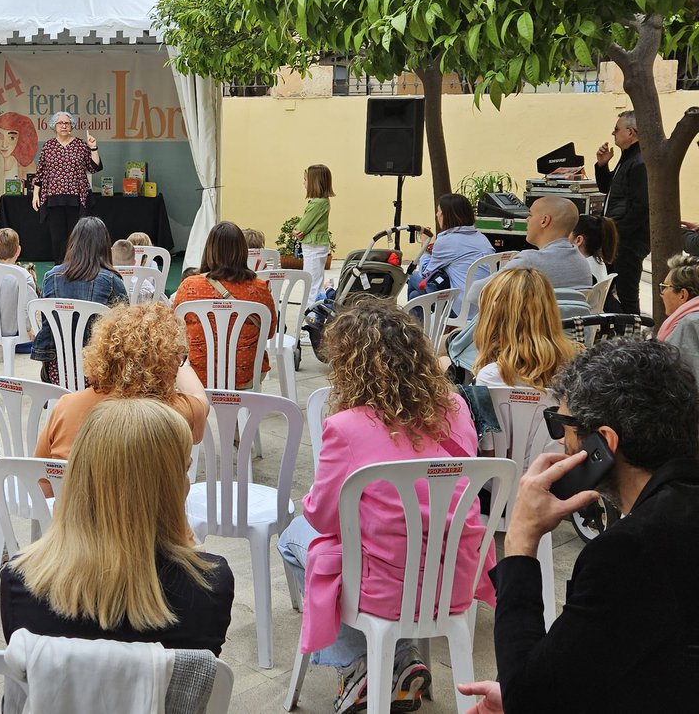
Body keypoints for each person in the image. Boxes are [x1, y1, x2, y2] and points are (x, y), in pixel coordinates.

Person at [457, 340, 699, 714]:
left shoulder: (631, 550)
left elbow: (531, 702)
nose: (559, 439)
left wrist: (520, 541)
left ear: (605, 443)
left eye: (562, 424)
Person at [277, 296, 493, 713]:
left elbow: (323, 517)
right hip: (455, 576)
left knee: (293, 539)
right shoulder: (456, 408)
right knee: (389, 544)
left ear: (349, 364)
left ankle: (358, 667)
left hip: (384, 589)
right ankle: (402, 659)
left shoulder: (346, 426)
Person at [2, 397, 234, 655]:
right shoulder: (209, 587)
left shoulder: (20, 584)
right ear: (168, 487)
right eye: (184, 470)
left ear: (79, 476)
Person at [35, 302, 208, 461]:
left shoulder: (67, 407)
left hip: (75, 487)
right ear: (169, 361)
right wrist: (180, 363)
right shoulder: (175, 411)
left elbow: (41, 478)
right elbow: (199, 398)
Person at [472, 268, 580, 457]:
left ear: (494, 312)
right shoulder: (577, 365)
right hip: (561, 467)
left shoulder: (491, 376)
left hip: (504, 474)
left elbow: (489, 452)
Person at [173, 221, 277, 389]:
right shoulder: (259, 287)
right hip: (247, 373)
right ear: (243, 251)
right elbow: (270, 332)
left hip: (198, 374)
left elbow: (174, 330)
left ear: (209, 250)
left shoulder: (189, 285)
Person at [31, 217, 129, 385]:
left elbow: (47, 324)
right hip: (99, 374)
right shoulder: (112, 280)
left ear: (73, 243)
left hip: (57, 371)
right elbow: (126, 329)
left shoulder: (50, 277)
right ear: (105, 246)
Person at [465, 196, 593, 313]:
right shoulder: (582, 261)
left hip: (534, 330)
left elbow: (476, 293)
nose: (526, 220)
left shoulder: (529, 261)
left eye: (530, 215)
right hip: (573, 329)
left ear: (544, 221)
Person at [30, 111, 101, 264]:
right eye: (60, 123)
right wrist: (36, 194)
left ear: (71, 126)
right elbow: (40, 172)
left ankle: (76, 266)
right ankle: (59, 266)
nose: (63, 126)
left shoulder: (80, 145)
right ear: (54, 126)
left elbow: (94, 167)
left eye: (67, 123)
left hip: (77, 198)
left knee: (76, 235)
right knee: (57, 237)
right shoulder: (48, 146)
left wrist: (93, 148)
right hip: (53, 198)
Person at [595, 111, 649, 313]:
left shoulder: (639, 162)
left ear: (630, 132)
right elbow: (608, 188)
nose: (613, 133)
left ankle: (631, 331)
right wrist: (602, 165)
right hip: (619, 237)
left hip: (628, 240)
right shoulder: (628, 158)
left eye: (616, 129)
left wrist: (615, 233)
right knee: (605, 289)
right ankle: (619, 328)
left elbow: (641, 208)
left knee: (627, 295)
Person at [408, 193, 494, 315]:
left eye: (439, 211)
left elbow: (425, 273)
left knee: (413, 277)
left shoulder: (446, 240)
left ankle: (409, 326)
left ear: (446, 215)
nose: (437, 215)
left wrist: (425, 247)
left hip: (460, 309)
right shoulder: (481, 238)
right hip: (484, 308)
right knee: (415, 296)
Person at [291, 164, 334, 309]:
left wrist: (296, 231)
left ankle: (312, 314)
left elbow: (301, 228)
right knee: (315, 281)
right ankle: (316, 310)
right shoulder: (323, 201)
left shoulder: (317, 203)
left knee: (312, 283)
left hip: (313, 247)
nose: (303, 183)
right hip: (316, 246)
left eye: (305, 179)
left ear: (314, 182)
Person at [658, 252, 699, 390]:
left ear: (682, 295)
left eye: (665, 287)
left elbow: (680, 383)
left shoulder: (688, 324)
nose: (662, 294)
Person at [0, 227, 38, 338]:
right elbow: (30, 307)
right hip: (15, 333)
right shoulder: (24, 276)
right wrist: (28, 329)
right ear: (18, 250)